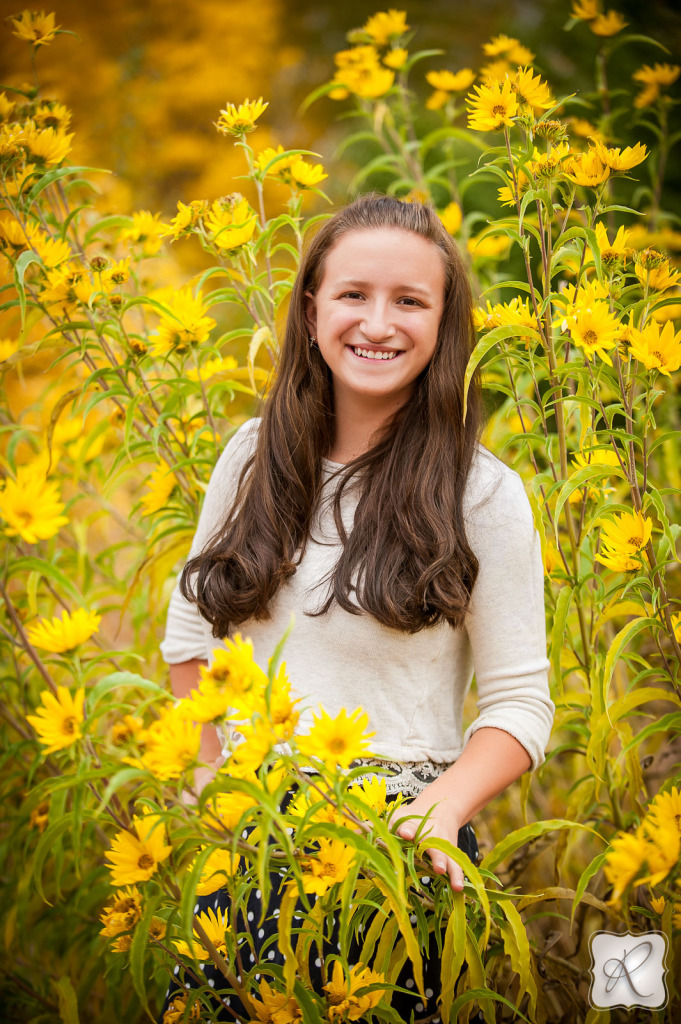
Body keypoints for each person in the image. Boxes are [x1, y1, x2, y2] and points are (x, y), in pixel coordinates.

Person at [159, 194, 554, 1021]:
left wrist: (439, 810)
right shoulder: (249, 456)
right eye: (352, 295)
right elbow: (190, 637)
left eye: (410, 301)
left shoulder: (481, 492)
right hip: (247, 837)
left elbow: (520, 705)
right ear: (310, 311)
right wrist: (207, 781)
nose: (378, 322)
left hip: (396, 847)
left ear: (444, 325)